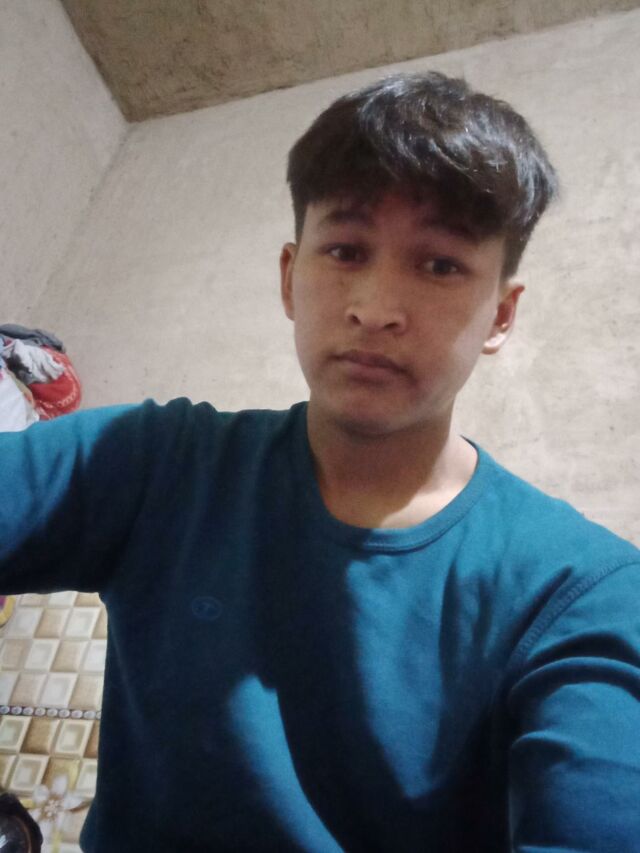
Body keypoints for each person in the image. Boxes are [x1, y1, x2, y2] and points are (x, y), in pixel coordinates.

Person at [1, 71, 639, 852]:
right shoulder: (152, 463)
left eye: (440, 264)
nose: (375, 307)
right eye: (344, 249)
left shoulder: (581, 592)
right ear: (289, 278)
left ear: (500, 315)